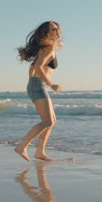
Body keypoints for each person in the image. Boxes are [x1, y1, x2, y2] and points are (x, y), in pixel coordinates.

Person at [15, 21, 63, 161]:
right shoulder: (49, 49)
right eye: (54, 29)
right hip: (38, 85)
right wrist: (51, 84)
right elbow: (38, 67)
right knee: (47, 121)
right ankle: (22, 146)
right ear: (47, 32)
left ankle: (40, 152)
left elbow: (34, 67)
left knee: (51, 121)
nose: (58, 31)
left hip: (36, 85)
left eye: (58, 29)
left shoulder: (46, 47)